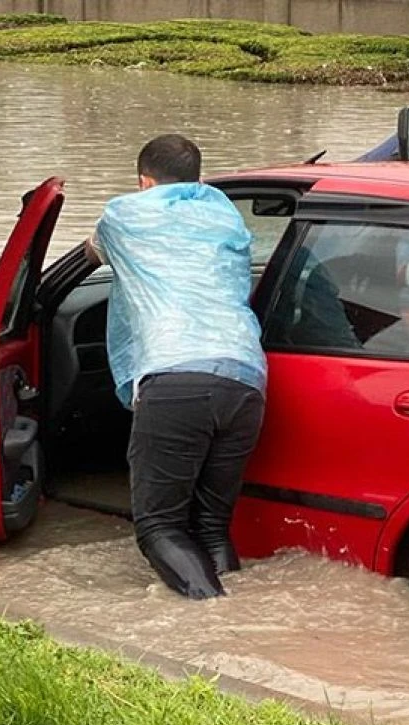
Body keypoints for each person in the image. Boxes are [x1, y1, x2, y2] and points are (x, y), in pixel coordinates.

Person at [84, 134, 267, 600]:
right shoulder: (224, 215)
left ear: (145, 181)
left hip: (176, 377)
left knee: (158, 529)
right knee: (210, 527)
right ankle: (243, 614)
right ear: (197, 181)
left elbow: (92, 252)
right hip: (246, 380)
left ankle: (214, 621)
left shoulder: (125, 215)